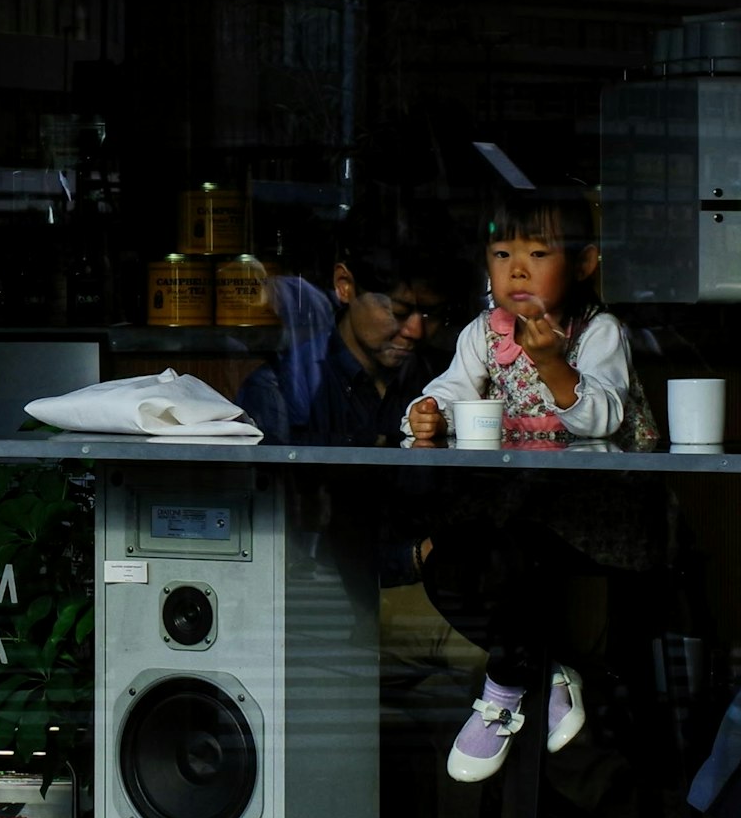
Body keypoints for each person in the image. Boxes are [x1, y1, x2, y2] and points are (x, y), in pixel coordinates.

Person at [405, 188, 638, 782]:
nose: (516, 270)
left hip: (592, 514)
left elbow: (603, 416)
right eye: (502, 254)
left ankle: (504, 695)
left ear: (584, 265)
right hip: (512, 505)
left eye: (538, 253)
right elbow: (452, 388)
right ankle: (548, 670)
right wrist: (426, 411)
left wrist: (556, 367)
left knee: (512, 558)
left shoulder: (598, 332)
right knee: (446, 560)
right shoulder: (486, 333)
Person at [237, 233, 458, 446]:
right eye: (398, 311)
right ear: (344, 285)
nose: (416, 331)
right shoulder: (279, 391)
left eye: (432, 313)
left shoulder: (452, 379)